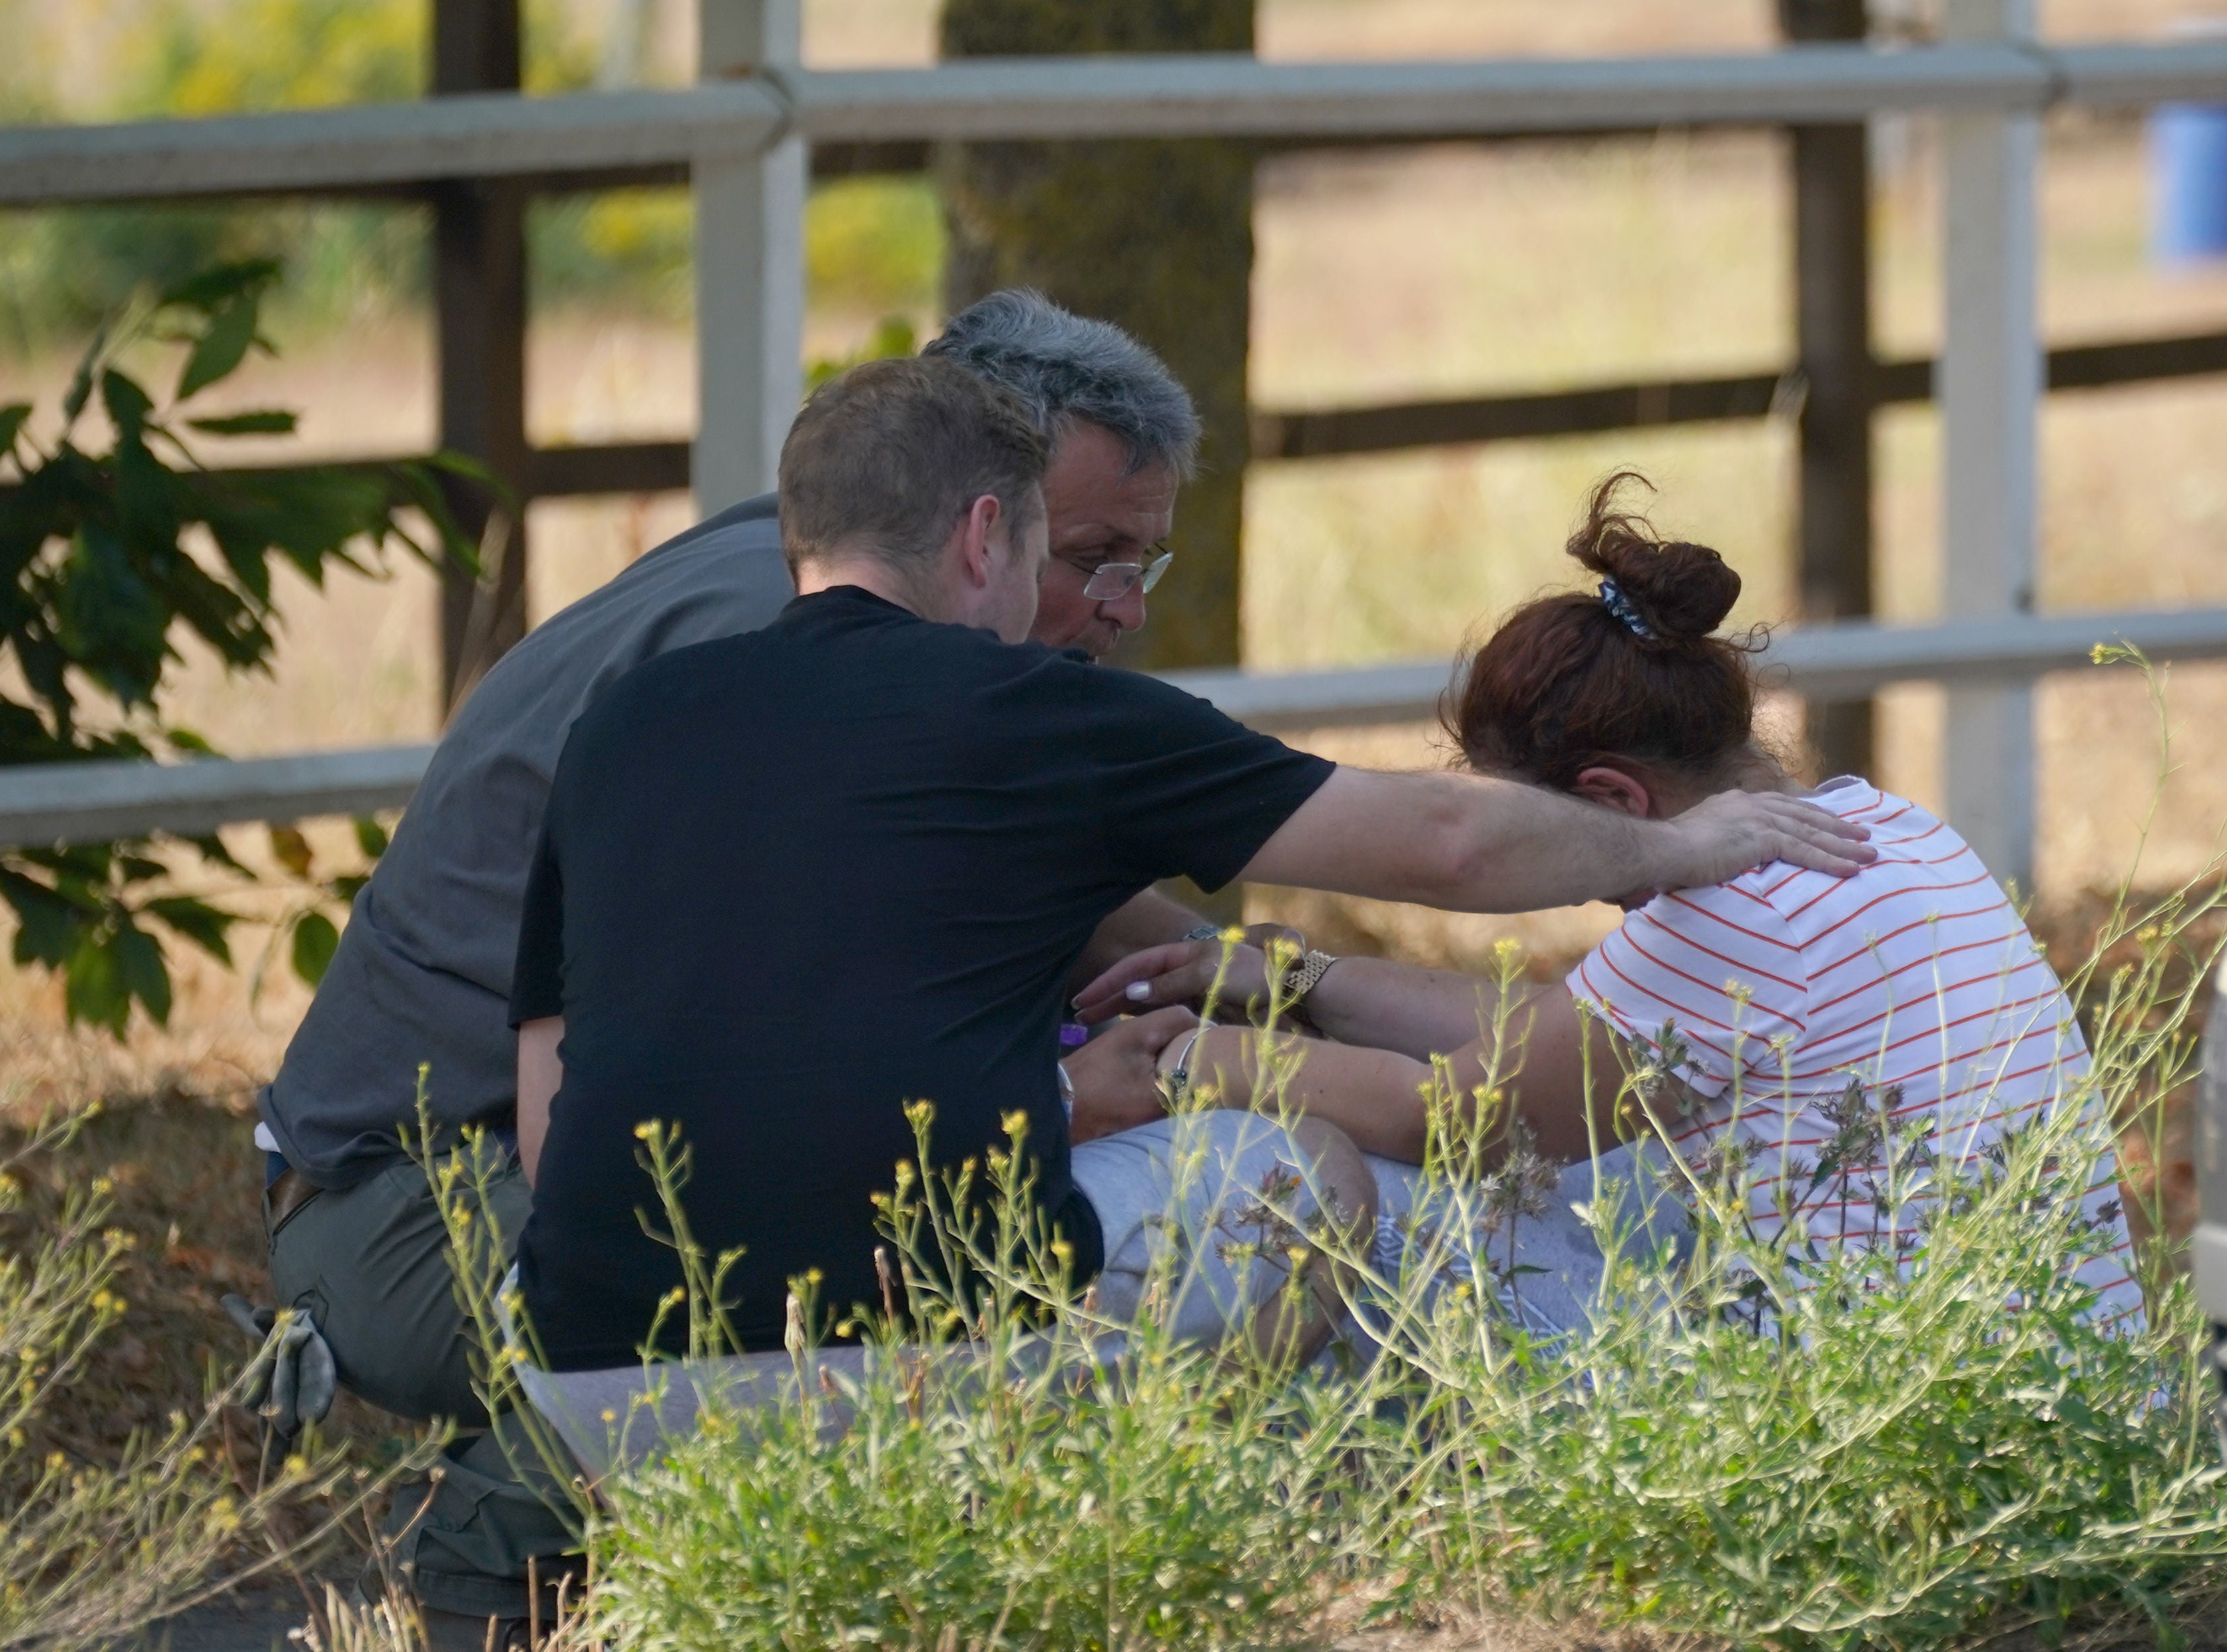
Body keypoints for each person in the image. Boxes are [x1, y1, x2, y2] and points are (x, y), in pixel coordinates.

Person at [509, 371, 1873, 1381]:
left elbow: (548, 1093)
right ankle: (1145, 1540)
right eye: (1056, 549)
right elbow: (1443, 843)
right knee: (1306, 1178)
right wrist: (1679, 847)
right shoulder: (1032, 708)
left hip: (591, 1364)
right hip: (906, 1343)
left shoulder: (625, 724)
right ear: (988, 537)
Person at [256, 291, 1234, 1630]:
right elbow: (803, 1075)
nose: (1119, 607)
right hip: (405, 1193)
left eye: (1147, 564)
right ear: (975, 508)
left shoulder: (819, 591)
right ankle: (494, 1548)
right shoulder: (772, 655)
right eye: (1089, 552)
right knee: (831, 1241)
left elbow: (1052, 901)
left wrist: (1256, 980)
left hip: (513, 1145)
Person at [1073, 474, 2138, 1322]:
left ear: (1612, 800)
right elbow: (1560, 1040)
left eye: (1525, 833)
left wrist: (1191, 1062)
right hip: (2043, 1377)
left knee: (1361, 1200)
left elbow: (1445, 1117)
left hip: (1892, 1409)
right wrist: (1302, 975)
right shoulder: (1883, 830)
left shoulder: (1735, 916)